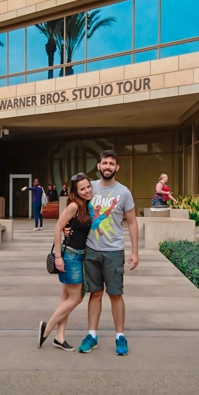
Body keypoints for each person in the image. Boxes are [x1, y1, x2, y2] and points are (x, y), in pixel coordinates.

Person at [75, 150, 139, 356]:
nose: (108, 166)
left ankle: (120, 336)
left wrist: (135, 252)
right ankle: (92, 335)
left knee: (115, 294)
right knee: (94, 293)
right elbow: (75, 208)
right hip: (91, 249)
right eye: (105, 163)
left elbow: (132, 222)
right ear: (99, 166)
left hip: (113, 251)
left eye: (112, 163)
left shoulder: (124, 192)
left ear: (117, 167)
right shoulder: (89, 188)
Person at [37, 173, 94, 351]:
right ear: (75, 191)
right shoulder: (74, 206)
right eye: (82, 188)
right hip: (70, 256)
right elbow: (57, 228)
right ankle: (47, 328)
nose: (86, 191)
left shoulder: (86, 205)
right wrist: (59, 257)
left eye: (88, 187)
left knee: (66, 299)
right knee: (76, 298)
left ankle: (59, 338)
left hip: (79, 254)